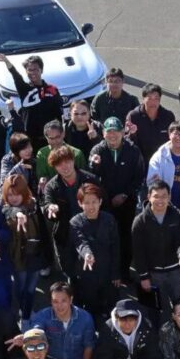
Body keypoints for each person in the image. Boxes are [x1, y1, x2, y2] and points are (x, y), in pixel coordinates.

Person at [21, 282, 99, 359]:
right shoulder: (43, 315)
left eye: (63, 301)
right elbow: (37, 330)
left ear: (71, 300)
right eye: (55, 301)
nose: (59, 306)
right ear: (51, 302)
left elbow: (89, 347)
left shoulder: (85, 318)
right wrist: (28, 336)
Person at [88, 116, 144, 280]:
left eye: (116, 131)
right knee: (104, 237)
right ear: (103, 133)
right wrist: (94, 165)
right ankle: (106, 270)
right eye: (109, 132)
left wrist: (124, 194)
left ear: (123, 132)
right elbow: (91, 178)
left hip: (126, 202)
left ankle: (124, 270)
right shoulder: (97, 150)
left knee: (125, 236)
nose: (112, 135)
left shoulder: (133, 150)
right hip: (104, 203)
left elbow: (139, 177)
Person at [131, 181, 180, 317]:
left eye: (164, 196)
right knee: (151, 309)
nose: (160, 200)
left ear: (169, 197)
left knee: (179, 305)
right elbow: (138, 252)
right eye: (156, 196)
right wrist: (143, 276)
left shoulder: (179, 215)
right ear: (148, 197)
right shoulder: (140, 221)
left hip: (175, 271)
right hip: (152, 272)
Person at [69, 184, 121, 324]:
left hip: (107, 272)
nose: (91, 206)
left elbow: (116, 247)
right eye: (86, 202)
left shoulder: (109, 219)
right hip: (86, 273)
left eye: (94, 202)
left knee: (111, 308)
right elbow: (80, 242)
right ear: (80, 203)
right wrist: (87, 254)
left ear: (100, 202)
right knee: (90, 308)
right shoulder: (75, 222)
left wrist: (116, 273)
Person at [1, 174, 50, 322]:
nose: (13, 198)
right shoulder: (5, 209)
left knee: (31, 288)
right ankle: (20, 312)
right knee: (20, 286)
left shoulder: (33, 205)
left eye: (17, 194)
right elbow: (10, 212)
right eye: (10, 194)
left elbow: (43, 229)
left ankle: (27, 312)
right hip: (17, 257)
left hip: (35, 254)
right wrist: (19, 213)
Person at [42, 146, 100, 271]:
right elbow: (47, 204)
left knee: (93, 268)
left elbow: (103, 205)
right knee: (69, 269)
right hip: (65, 234)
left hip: (91, 232)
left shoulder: (90, 180)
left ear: (73, 160)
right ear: (54, 167)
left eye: (67, 161)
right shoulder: (51, 186)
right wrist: (50, 208)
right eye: (59, 164)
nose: (65, 167)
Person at [0, 53, 63, 151]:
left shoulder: (52, 89)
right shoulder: (24, 89)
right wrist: (6, 61)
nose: (32, 72)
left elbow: (59, 115)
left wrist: (60, 135)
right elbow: (16, 75)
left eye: (35, 69)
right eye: (29, 70)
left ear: (41, 70)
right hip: (30, 139)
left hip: (50, 138)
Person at [126, 82, 176, 163]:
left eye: (156, 98)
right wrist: (132, 133)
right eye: (149, 98)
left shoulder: (168, 116)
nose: (153, 102)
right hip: (139, 160)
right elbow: (127, 142)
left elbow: (173, 139)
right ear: (143, 99)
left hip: (162, 160)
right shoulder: (134, 116)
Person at [0, 132, 36, 203]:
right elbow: (4, 182)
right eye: (24, 149)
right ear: (16, 150)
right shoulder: (7, 160)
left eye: (29, 147)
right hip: (11, 199)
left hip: (28, 200)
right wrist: (18, 168)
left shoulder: (32, 160)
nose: (28, 151)